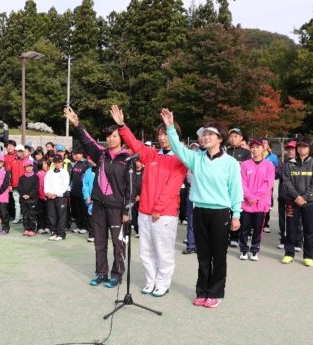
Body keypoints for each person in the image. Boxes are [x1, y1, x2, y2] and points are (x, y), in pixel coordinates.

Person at [160, 108, 243, 309]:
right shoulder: (197, 159)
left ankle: (215, 292)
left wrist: (236, 214)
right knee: (203, 255)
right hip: (199, 211)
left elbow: (236, 190)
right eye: (204, 135)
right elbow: (178, 150)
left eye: (209, 135)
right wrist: (170, 127)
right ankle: (202, 291)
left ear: (220, 139)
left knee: (218, 255)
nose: (205, 138)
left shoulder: (230, 163)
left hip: (221, 213)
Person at [111, 105, 187, 297]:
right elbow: (135, 145)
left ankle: (163, 282)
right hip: (144, 210)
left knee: (163, 250)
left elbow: (172, 186)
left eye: (165, 134)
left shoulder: (180, 159)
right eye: (159, 134)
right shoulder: (152, 154)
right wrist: (122, 125)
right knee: (145, 250)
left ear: (174, 136)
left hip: (164, 213)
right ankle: (150, 280)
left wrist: (158, 208)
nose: (161, 138)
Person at [65, 106, 134, 288]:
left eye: (114, 136)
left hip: (117, 208)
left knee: (118, 244)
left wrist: (127, 209)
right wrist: (77, 124)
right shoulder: (101, 155)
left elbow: (131, 188)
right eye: (109, 137)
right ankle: (101, 273)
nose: (110, 140)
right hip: (98, 206)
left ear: (121, 139)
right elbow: (87, 141)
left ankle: (117, 275)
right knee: (99, 243)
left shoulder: (127, 159)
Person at [281, 137, 313, 266]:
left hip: (310, 203)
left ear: (309, 148)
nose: (301, 149)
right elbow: (286, 182)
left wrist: (304, 198)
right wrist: (296, 197)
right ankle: (289, 253)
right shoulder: (289, 164)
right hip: (292, 202)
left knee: (309, 230)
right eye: (299, 146)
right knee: (290, 229)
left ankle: (308, 256)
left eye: (304, 146)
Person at [238, 139, 276, 261]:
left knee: (258, 228)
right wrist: (249, 196)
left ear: (263, 149)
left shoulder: (269, 165)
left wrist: (256, 197)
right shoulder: (245, 165)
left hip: (260, 203)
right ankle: (243, 250)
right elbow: (241, 182)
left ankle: (254, 250)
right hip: (246, 202)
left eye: (258, 147)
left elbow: (268, 183)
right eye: (252, 147)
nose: (255, 149)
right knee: (244, 228)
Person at [43, 153, 70, 241]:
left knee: (61, 215)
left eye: (59, 162)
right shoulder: (49, 172)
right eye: (56, 162)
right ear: (53, 163)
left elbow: (65, 185)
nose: (57, 164)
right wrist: (47, 193)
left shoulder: (65, 172)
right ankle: (54, 232)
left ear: (62, 162)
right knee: (52, 215)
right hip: (50, 197)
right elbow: (46, 183)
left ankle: (61, 234)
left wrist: (55, 194)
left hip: (60, 197)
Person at [69, 148, 91, 235]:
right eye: (74, 154)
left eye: (78, 153)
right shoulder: (75, 164)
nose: (76, 155)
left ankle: (84, 227)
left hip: (83, 193)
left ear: (82, 154)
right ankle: (78, 226)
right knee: (76, 210)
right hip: (75, 191)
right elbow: (72, 178)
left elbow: (89, 179)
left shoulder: (87, 164)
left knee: (84, 210)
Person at [17, 159, 40, 236]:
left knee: (32, 215)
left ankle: (33, 229)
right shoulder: (21, 178)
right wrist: (23, 194)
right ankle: (26, 228)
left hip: (32, 200)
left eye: (30, 166)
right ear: (24, 168)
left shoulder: (35, 177)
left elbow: (36, 188)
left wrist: (29, 195)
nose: (29, 168)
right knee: (25, 215)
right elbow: (19, 188)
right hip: (23, 200)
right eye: (27, 167)